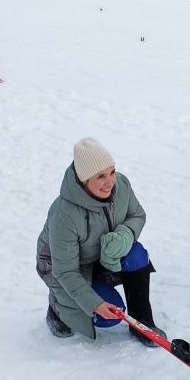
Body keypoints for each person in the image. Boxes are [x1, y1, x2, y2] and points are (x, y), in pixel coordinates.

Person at [36, 138, 162, 344]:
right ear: (84, 181)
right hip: (64, 267)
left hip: (101, 256)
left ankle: (142, 324)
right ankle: (58, 307)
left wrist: (124, 235)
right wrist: (94, 304)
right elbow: (65, 271)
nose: (110, 182)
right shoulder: (64, 214)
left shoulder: (121, 185)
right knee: (108, 315)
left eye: (112, 172)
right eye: (101, 176)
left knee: (136, 255)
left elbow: (137, 215)